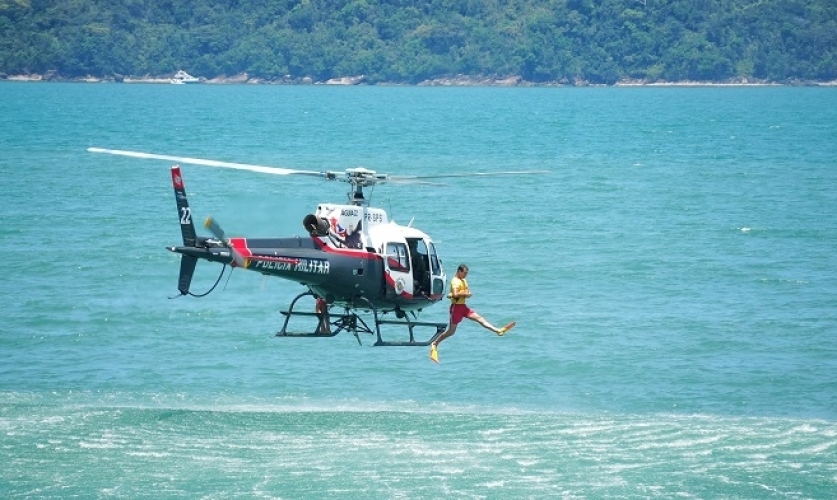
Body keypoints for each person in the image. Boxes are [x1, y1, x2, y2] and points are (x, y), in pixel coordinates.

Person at [430, 264, 515, 363]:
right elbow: (457, 294)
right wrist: (464, 294)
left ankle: (497, 330)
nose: (466, 275)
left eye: (467, 274)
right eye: (464, 273)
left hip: (463, 307)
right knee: (451, 332)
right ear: (459, 271)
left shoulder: (463, 280)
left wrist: (466, 294)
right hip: (456, 308)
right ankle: (435, 344)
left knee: (479, 318)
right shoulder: (455, 281)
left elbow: (466, 292)